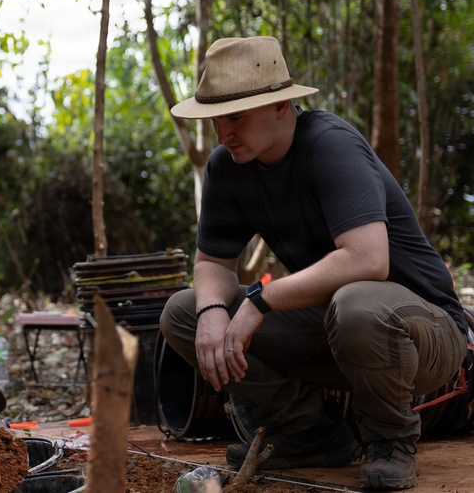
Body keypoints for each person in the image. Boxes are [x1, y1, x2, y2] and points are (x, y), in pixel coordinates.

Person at [159, 36, 469, 491]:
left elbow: (368, 258)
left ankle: (390, 441)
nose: (223, 133)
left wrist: (260, 301)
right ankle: (309, 433)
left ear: (281, 106)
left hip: (426, 333)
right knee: (183, 312)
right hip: (336, 330)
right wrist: (211, 313)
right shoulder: (227, 166)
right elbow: (212, 262)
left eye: (235, 117)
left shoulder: (330, 145)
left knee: (357, 301)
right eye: (215, 119)